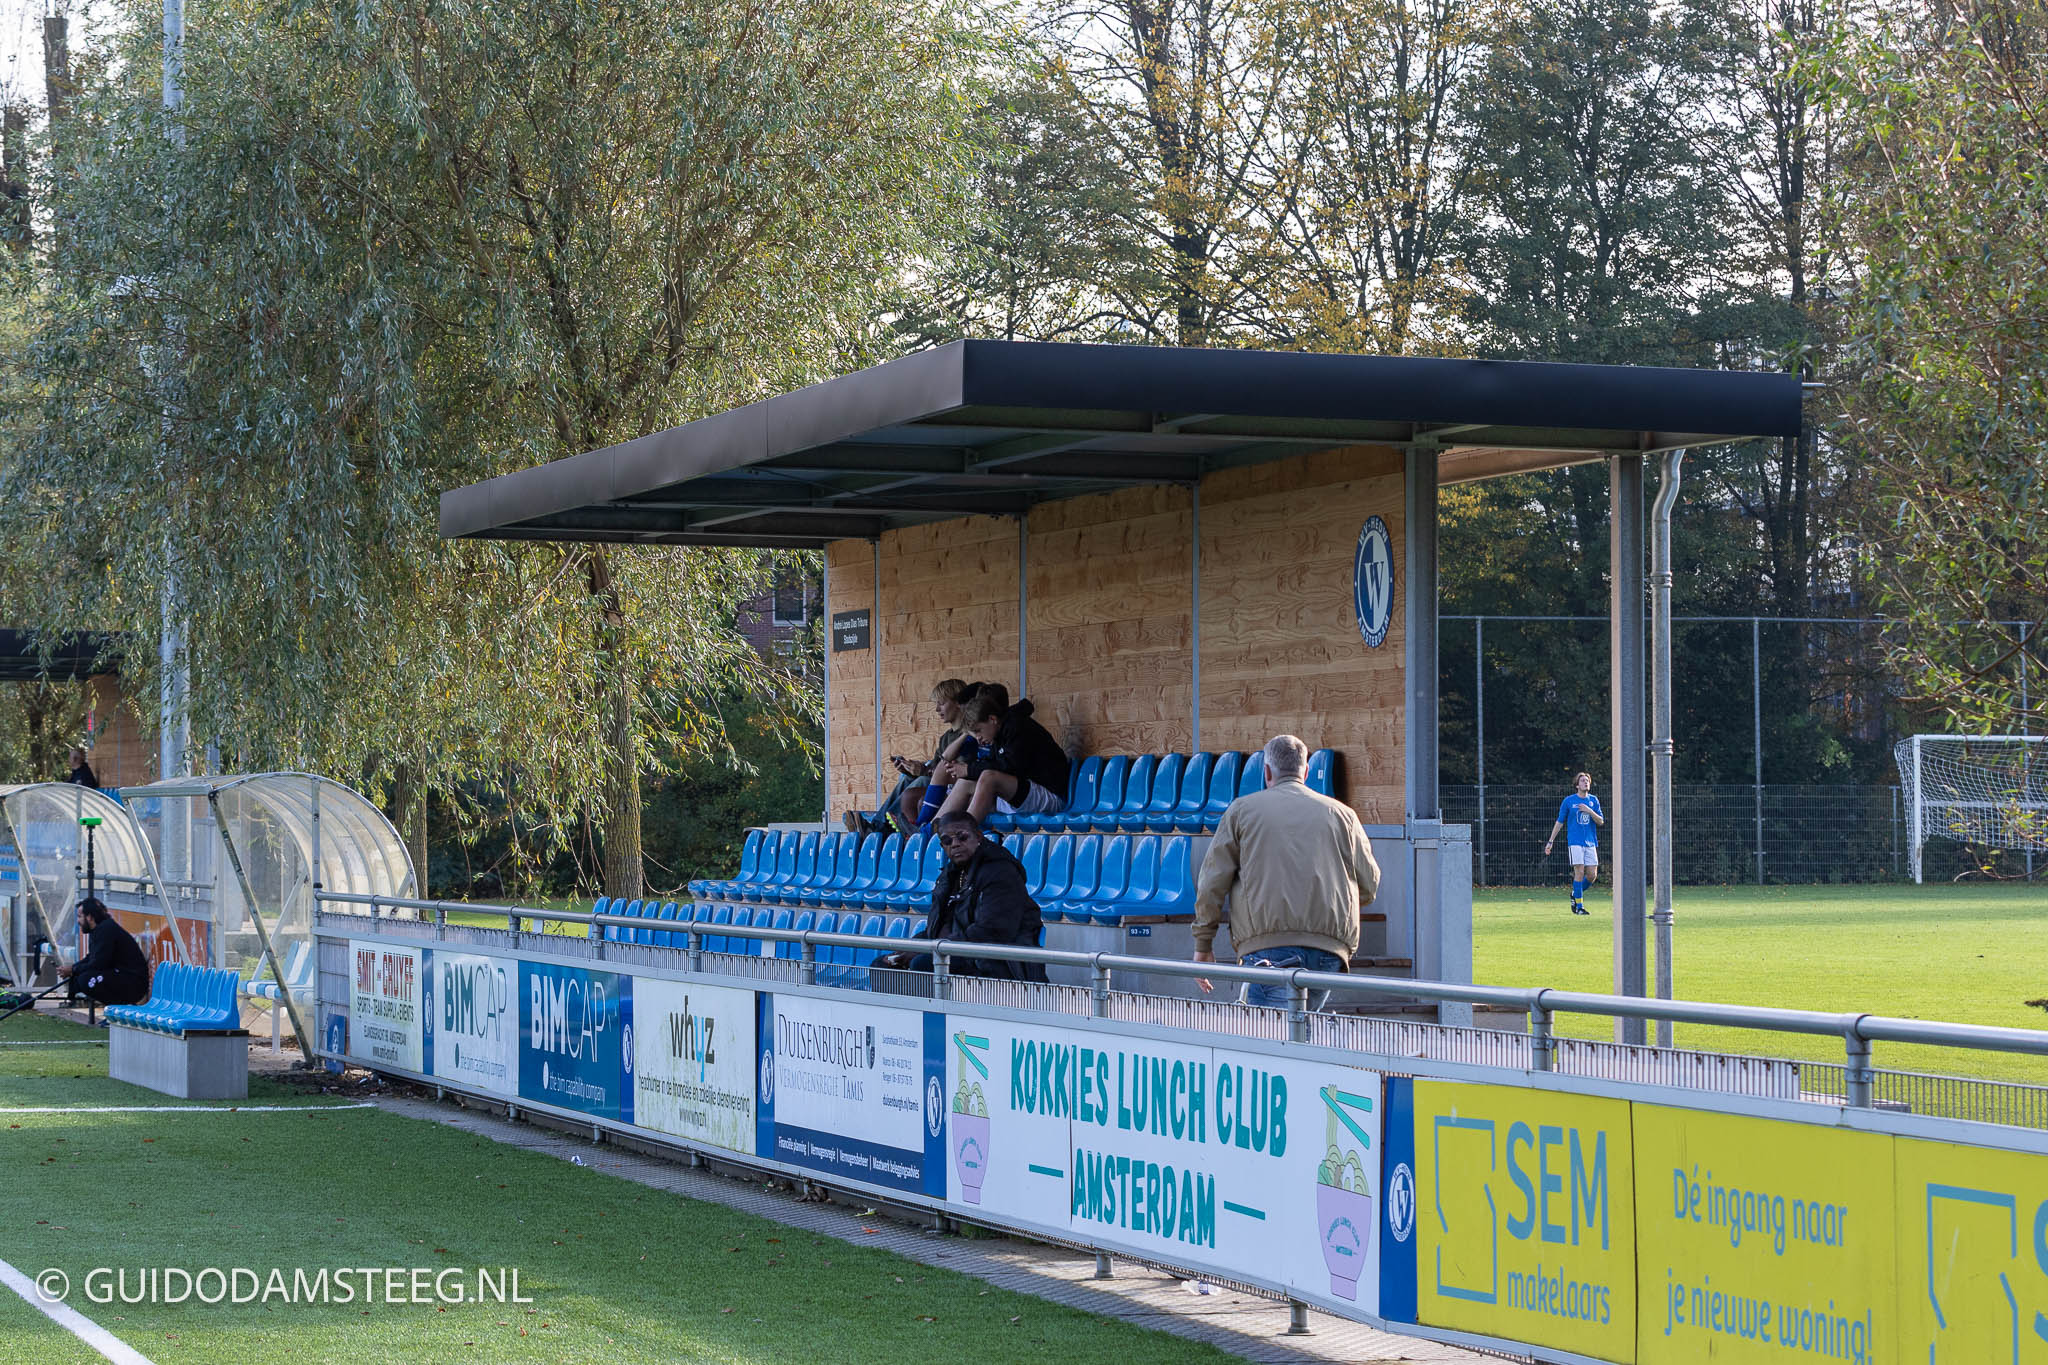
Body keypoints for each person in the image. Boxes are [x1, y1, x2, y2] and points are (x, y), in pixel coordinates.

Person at [1191, 734, 1380, 1012]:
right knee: (1299, 1035)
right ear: (1305, 771)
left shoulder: (1241, 812)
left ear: (1266, 771)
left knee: (1270, 1042)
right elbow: (1370, 884)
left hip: (1267, 948)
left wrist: (1203, 943)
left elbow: (1212, 882)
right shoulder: (1343, 815)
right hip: (1330, 951)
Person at [878, 811, 1048, 981]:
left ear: (979, 837)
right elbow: (939, 927)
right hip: (961, 950)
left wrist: (933, 949)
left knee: (923, 964)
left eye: (962, 837)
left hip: (998, 960)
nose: (955, 844)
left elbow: (992, 931)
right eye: (947, 840)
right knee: (883, 965)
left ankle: (931, 1008)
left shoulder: (1000, 871)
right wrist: (913, 947)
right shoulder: (951, 874)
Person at [934, 690, 1069, 822]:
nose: (978, 738)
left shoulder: (1018, 727)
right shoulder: (999, 733)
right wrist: (967, 771)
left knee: (989, 778)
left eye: (978, 730)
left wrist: (969, 770)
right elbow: (994, 762)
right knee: (965, 782)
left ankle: (964, 834)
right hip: (1024, 796)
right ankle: (932, 831)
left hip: (1051, 796)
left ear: (992, 719)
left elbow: (1009, 767)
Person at [61, 897, 150, 1007]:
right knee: (81, 977)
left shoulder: (106, 930)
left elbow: (99, 963)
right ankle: (113, 1012)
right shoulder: (99, 930)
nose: (78, 921)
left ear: (89, 917)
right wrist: (73, 968)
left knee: (86, 980)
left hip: (133, 983)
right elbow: (91, 958)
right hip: (123, 977)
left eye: (79, 917)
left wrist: (73, 969)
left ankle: (117, 1011)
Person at [1543, 771, 1604, 916]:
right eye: (1582, 780)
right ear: (1577, 785)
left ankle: (1575, 894)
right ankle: (1579, 906)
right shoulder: (1569, 801)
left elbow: (1601, 821)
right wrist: (1550, 841)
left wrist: (1589, 811)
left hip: (1590, 842)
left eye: (1587, 780)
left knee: (1591, 875)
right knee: (1580, 871)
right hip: (1575, 842)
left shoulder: (1593, 800)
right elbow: (1560, 822)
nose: (1586, 782)